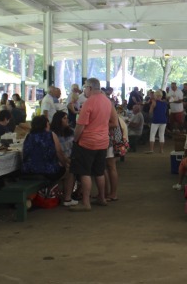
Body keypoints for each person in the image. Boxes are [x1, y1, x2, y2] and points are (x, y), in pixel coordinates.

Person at [69, 78, 118, 211]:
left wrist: (75, 139)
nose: (84, 90)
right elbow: (114, 121)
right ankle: (102, 198)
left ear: (90, 88)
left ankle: (86, 202)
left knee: (85, 172)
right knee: (99, 171)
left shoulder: (89, 103)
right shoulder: (107, 101)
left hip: (88, 142)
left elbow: (80, 126)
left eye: (85, 87)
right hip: (103, 141)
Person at [22, 115, 70, 201]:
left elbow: (24, 154)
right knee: (69, 172)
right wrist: (65, 164)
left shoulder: (28, 136)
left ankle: (51, 193)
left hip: (28, 170)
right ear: (45, 125)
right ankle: (67, 198)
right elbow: (59, 153)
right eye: (48, 123)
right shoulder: (51, 135)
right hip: (47, 171)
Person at [50, 111, 77, 206]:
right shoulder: (52, 134)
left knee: (72, 169)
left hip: (71, 158)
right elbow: (57, 151)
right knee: (69, 170)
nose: (67, 120)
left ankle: (69, 195)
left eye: (67, 118)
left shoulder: (71, 131)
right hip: (58, 159)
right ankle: (67, 198)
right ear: (58, 120)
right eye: (64, 118)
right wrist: (65, 160)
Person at [147, 90, 168, 154]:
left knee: (152, 134)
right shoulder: (165, 103)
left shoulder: (154, 102)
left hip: (156, 120)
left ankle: (151, 149)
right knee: (161, 135)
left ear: (156, 96)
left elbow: (150, 112)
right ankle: (161, 150)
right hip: (163, 120)